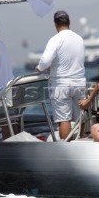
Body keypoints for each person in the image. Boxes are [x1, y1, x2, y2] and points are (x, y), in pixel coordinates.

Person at [36, 10, 86, 140]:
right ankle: (83, 144)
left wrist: (40, 67)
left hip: (61, 85)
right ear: (69, 22)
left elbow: (45, 61)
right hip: (79, 83)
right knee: (82, 117)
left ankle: (67, 149)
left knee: (64, 120)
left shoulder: (55, 39)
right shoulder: (79, 39)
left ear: (55, 24)